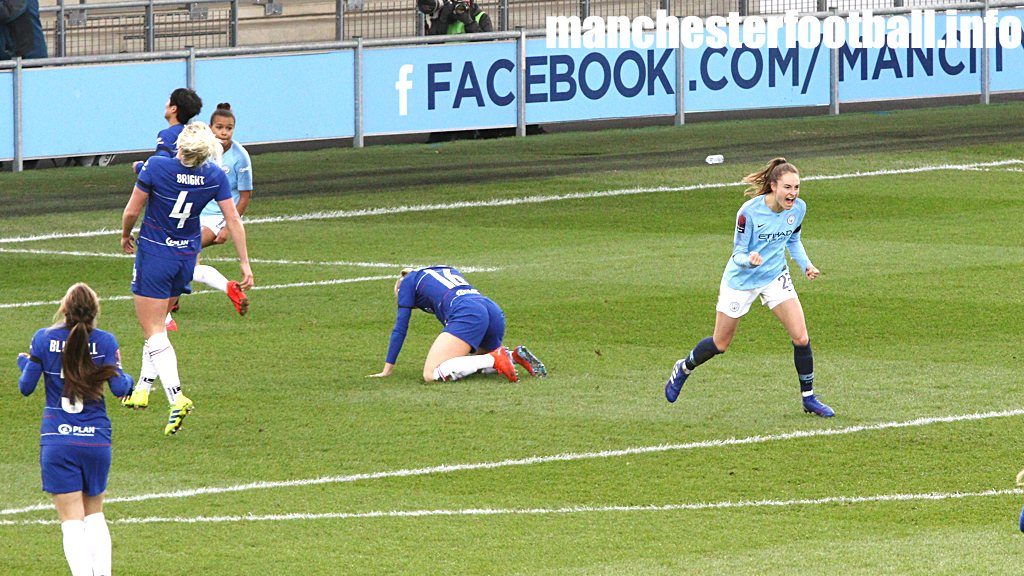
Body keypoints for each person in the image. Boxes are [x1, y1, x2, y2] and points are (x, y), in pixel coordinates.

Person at [663, 158, 835, 418]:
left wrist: (807, 266)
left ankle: (808, 398)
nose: (793, 193)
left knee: (801, 337)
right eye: (788, 187)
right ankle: (684, 367)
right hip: (741, 281)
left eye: (797, 187)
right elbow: (738, 254)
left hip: (775, 275)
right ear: (774, 186)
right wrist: (750, 260)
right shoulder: (749, 212)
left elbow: (793, 240)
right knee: (720, 343)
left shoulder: (798, 209)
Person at [118, 122, 254, 435]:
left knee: (152, 329)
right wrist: (244, 263)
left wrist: (125, 235)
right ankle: (142, 388)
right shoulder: (215, 176)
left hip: (155, 255)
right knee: (160, 323)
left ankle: (176, 398)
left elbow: (130, 212)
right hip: (185, 257)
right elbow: (232, 219)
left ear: (180, 146)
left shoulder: (157, 166)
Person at [17, 282, 135, 576]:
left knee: (71, 520)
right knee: (94, 514)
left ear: (64, 309)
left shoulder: (43, 339)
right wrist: (129, 377)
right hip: (95, 440)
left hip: (58, 440)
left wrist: (27, 364)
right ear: (95, 311)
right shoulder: (106, 342)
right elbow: (121, 388)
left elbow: (26, 388)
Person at [369, 266, 546, 383]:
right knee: (471, 364)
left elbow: (400, 328)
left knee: (430, 374)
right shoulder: (442, 271)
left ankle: (495, 357)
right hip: (491, 309)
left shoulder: (407, 283)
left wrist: (387, 369)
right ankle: (512, 356)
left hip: (468, 312)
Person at [190, 102, 252, 316]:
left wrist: (227, 227)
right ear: (210, 127)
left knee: (190, 245)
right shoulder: (203, 152)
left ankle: (228, 288)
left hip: (217, 217)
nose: (224, 132)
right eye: (219, 127)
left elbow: (244, 196)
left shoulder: (240, 157)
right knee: (186, 261)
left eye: (229, 128)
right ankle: (176, 295)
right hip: (195, 213)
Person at [421, 0, 492, 35]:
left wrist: (469, 22)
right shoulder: (444, 14)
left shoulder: (481, 16)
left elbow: (488, 43)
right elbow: (432, 43)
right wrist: (443, 19)